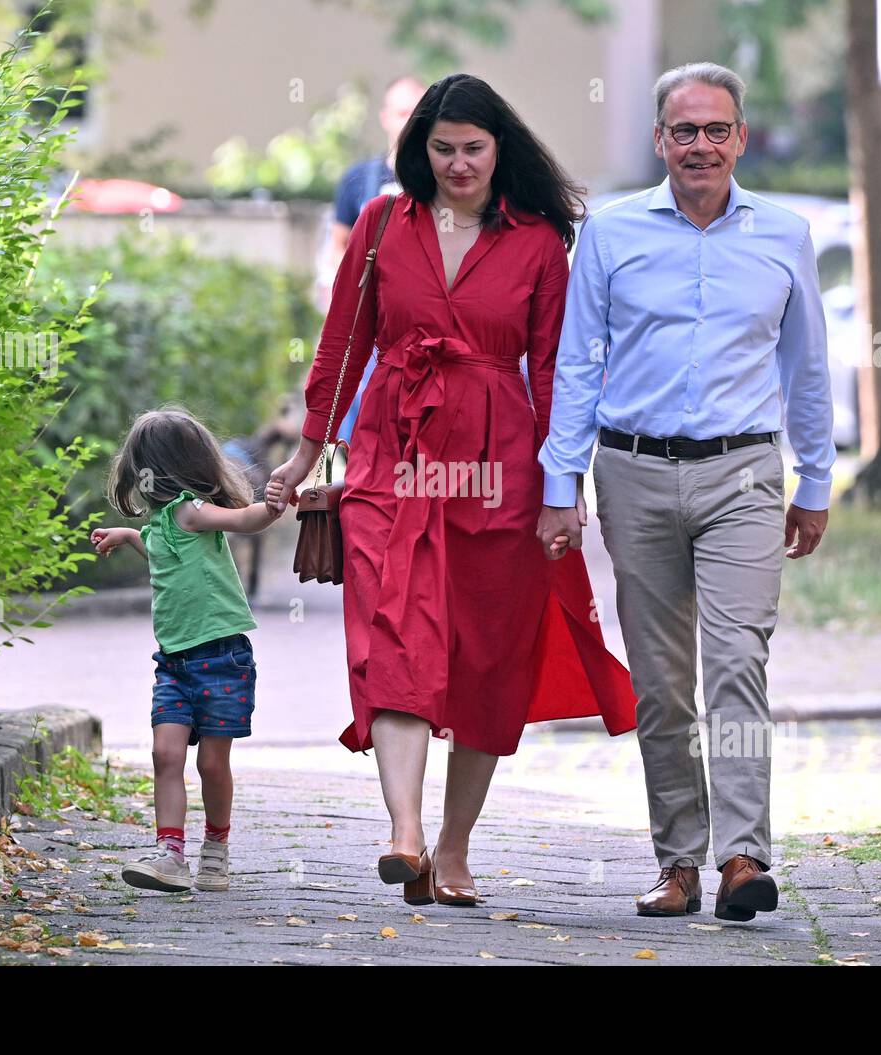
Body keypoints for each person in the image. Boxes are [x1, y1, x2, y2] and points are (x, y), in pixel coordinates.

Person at [267, 74, 637, 908]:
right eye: (443, 148)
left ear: (499, 148)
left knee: (485, 654)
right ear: (418, 149)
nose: (459, 163)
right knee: (393, 634)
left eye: (473, 148)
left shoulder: (541, 241)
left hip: (498, 466)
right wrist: (305, 458)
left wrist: (560, 487)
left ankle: (454, 847)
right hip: (390, 457)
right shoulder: (378, 223)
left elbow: (556, 372)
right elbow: (340, 348)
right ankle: (403, 833)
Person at [537, 62, 835, 922]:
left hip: (743, 471)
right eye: (684, 131)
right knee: (663, 682)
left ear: (740, 137)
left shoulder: (783, 234)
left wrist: (814, 481)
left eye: (717, 129)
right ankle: (679, 860)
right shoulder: (613, 232)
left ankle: (745, 854)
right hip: (632, 470)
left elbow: (806, 367)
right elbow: (577, 362)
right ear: (658, 139)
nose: (700, 145)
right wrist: (563, 482)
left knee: (737, 660)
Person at [91, 407, 284, 893]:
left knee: (212, 763)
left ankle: (215, 849)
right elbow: (159, 546)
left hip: (223, 659)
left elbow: (246, 518)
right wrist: (127, 535)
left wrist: (274, 506)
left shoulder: (190, 510)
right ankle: (170, 854)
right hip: (173, 665)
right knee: (165, 753)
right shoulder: (159, 524)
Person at [324, 75, 425, 445]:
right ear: (385, 117)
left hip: (422, 324)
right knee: (359, 410)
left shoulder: (444, 182)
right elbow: (339, 245)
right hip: (367, 322)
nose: (409, 121)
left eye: (417, 112)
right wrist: (339, 298)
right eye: (402, 112)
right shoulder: (358, 180)